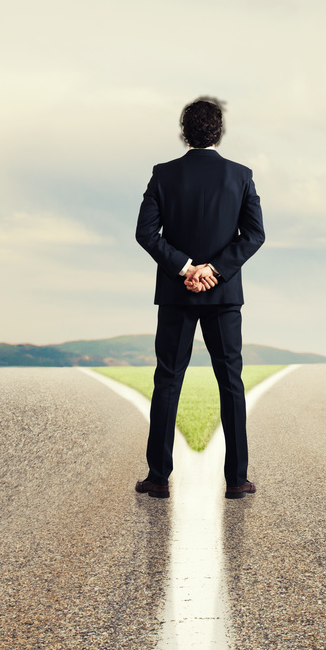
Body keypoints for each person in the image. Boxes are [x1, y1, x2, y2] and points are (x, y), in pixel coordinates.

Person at [133, 96, 265, 500]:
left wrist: (186, 268)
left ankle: (158, 478)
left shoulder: (163, 175)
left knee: (167, 381)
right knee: (231, 383)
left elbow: (146, 233)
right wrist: (215, 270)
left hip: (177, 294)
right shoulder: (241, 176)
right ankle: (237, 480)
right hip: (224, 296)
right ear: (219, 132)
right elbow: (254, 235)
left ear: (184, 131)